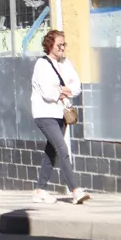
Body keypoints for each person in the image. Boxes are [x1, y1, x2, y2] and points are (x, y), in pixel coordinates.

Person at [32, 29, 89, 205]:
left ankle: (40, 191)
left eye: (64, 44)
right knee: (62, 150)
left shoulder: (66, 63)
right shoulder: (41, 65)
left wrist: (63, 90)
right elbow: (47, 93)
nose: (63, 48)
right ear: (50, 45)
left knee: (52, 153)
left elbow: (77, 86)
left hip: (61, 114)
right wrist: (62, 91)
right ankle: (75, 190)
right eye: (59, 45)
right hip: (45, 114)